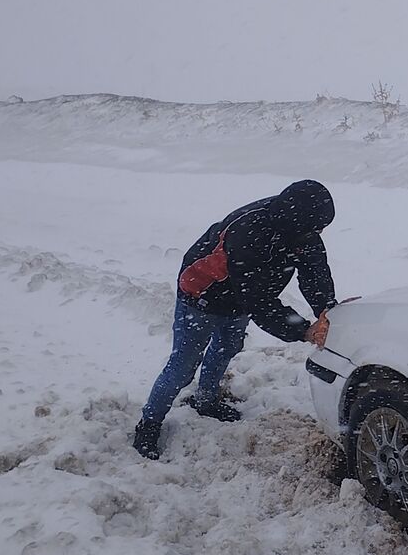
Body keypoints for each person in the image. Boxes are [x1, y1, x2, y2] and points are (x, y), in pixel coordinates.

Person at [133, 180, 339, 459]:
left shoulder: (303, 232)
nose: (321, 232)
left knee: (227, 348)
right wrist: (303, 330)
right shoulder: (249, 231)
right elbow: (257, 301)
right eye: (318, 226)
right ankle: (149, 424)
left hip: (238, 300)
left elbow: (315, 272)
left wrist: (325, 307)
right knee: (183, 365)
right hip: (201, 294)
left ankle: (206, 401)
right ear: (297, 221)